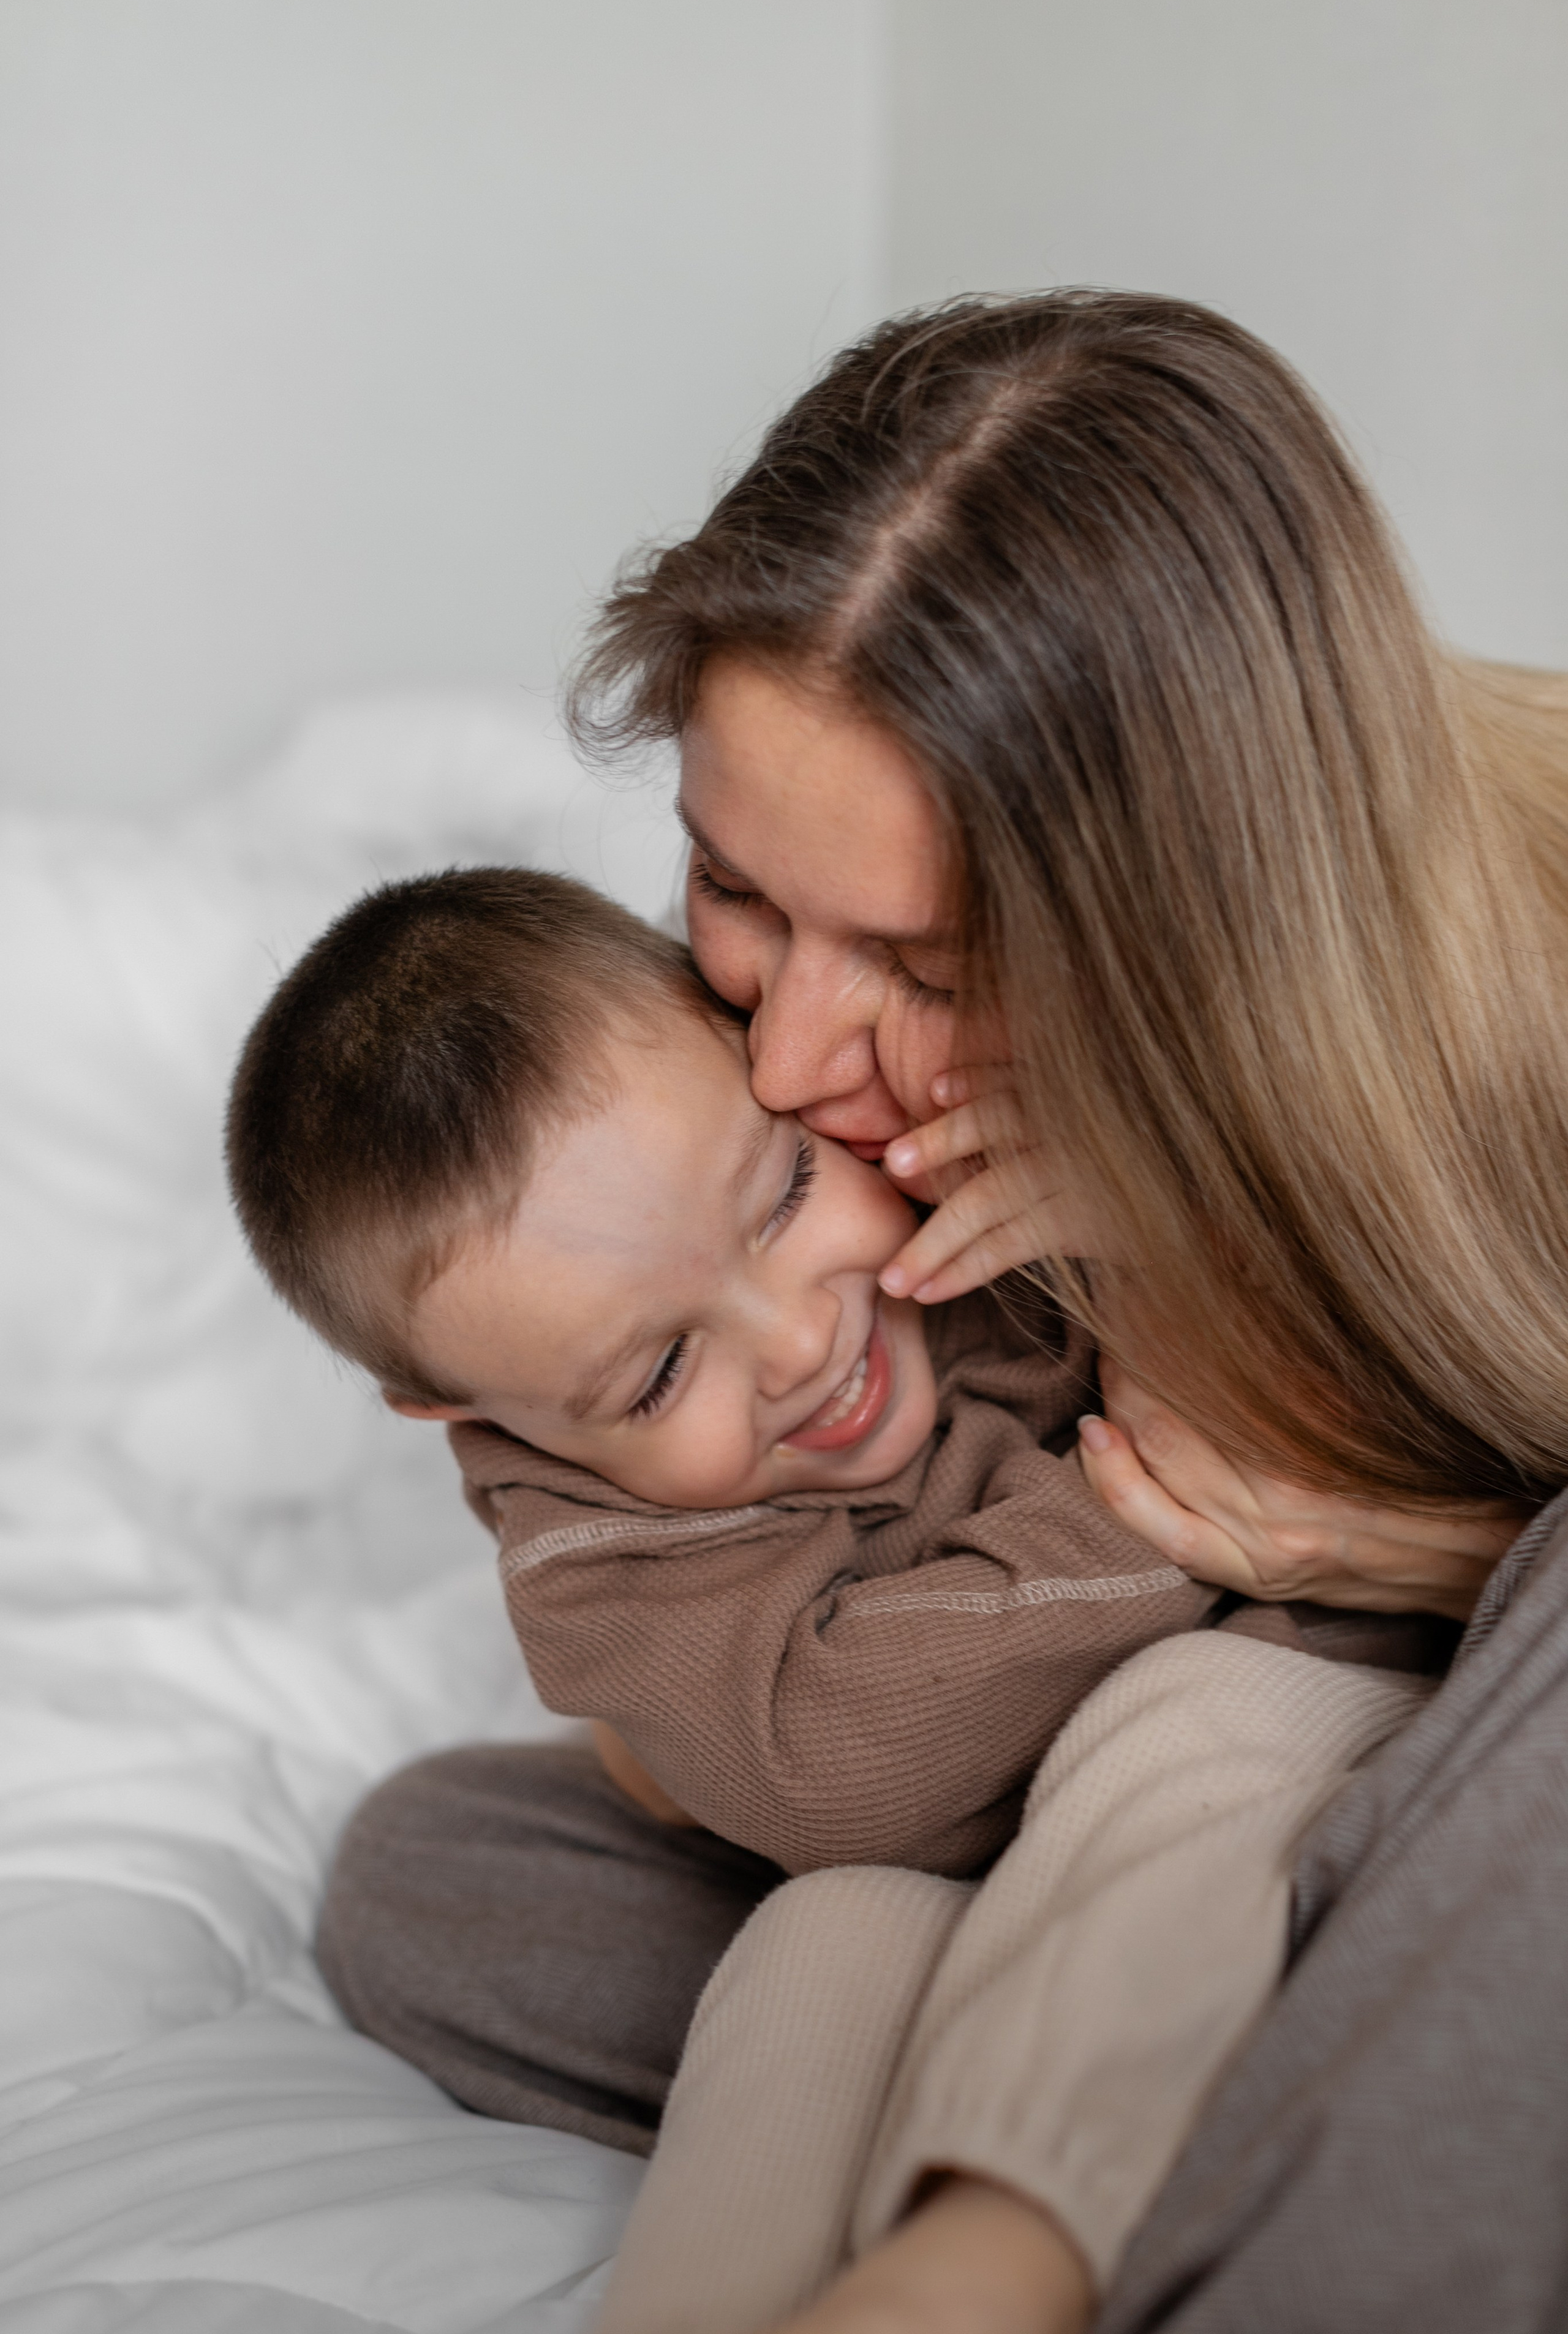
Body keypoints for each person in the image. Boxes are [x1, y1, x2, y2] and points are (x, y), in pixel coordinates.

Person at [318, 288, 1568, 2328]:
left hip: (1395, 1743)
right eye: (735, 890)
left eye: (926, 959)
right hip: (1005, 1799)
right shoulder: (739, 1082)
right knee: (438, 1883)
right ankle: (1196, 2093)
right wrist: (714, 1718)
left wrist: (1382, 1534)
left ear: (1205, 918)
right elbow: (714, 1657)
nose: (799, 1058)